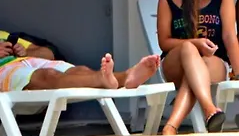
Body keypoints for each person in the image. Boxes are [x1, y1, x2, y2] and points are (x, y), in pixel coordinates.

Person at [157, 0, 239, 135]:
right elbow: (164, 42)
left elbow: (229, 35)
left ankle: (170, 127)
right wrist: (195, 43)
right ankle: (209, 108)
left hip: (213, 61)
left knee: (195, 71)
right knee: (189, 49)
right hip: (175, 62)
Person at [0, 30, 160, 91]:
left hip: (25, 60)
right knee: (48, 75)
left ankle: (126, 77)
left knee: (80, 70)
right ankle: (103, 79)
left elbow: (48, 54)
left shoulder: (4, 35)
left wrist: (25, 51)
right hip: (4, 69)